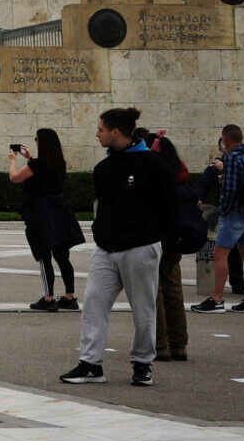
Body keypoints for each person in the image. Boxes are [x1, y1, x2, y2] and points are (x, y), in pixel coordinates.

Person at [60, 108, 177, 387]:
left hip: (141, 248)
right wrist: (100, 232)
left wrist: (164, 242)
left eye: (100, 128)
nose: (97, 133)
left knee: (143, 308)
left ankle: (142, 363)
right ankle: (91, 364)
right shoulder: (104, 168)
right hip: (106, 248)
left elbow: (170, 208)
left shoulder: (154, 165)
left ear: (115, 131)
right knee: (94, 304)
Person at [194, 124, 244, 314]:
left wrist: (223, 211)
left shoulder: (232, 157)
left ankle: (216, 298)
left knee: (220, 254)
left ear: (225, 138)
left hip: (234, 213)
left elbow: (231, 189)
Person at [9, 131, 82, 312]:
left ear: (42, 143)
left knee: (43, 256)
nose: (35, 142)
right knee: (62, 256)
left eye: (36, 139)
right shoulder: (59, 163)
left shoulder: (38, 164)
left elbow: (15, 177)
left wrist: (12, 160)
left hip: (41, 213)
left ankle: (48, 298)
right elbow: (44, 174)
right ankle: (69, 297)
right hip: (60, 211)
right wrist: (30, 158)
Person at [139, 127, 193, 361]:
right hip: (176, 238)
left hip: (155, 236)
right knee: (174, 289)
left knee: (155, 291)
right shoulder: (179, 175)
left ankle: (160, 345)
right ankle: (179, 344)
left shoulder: (154, 175)